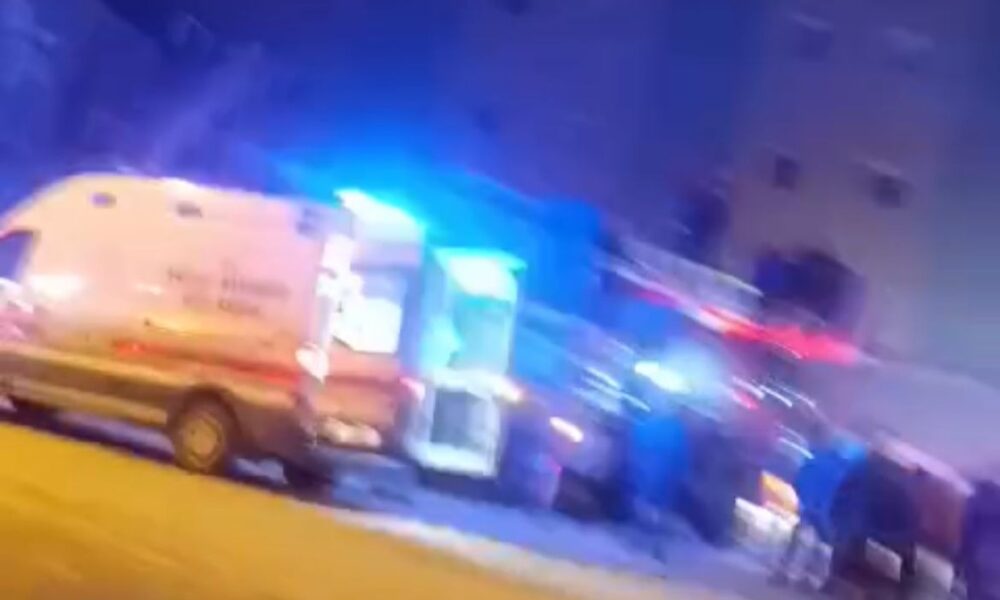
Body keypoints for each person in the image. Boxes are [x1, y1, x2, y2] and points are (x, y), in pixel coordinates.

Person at [772, 423, 866, 589]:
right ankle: (810, 580)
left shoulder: (820, 459)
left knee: (802, 541)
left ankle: (786, 573)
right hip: (829, 515)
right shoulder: (848, 471)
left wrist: (805, 500)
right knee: (822, 548)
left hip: (812, 509)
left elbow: (801, 478)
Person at [958, 480, 1000, 600]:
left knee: (975, 591)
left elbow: (967, 530)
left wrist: (960, 558)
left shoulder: (974, 501)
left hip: (978, 558)